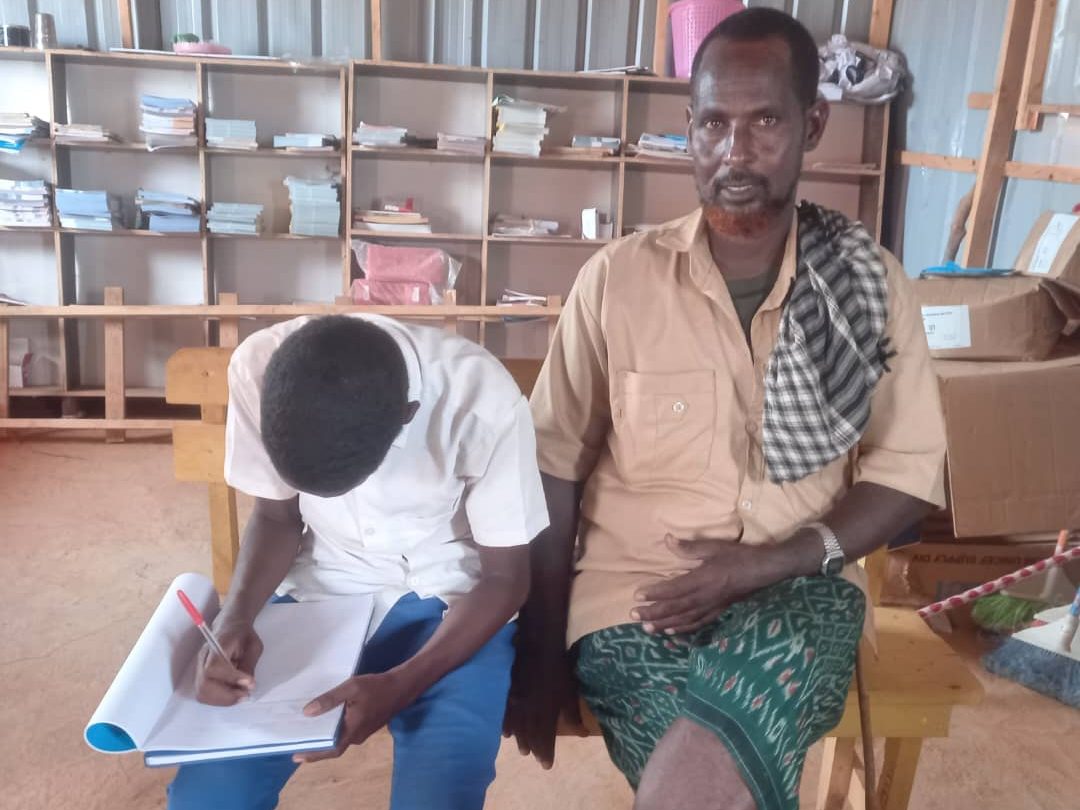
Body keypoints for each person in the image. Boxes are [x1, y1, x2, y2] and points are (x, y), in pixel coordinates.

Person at [505, 8, 946, 810]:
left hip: (800, 599)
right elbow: (552, 461)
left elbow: (908, 473)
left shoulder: (871, 286)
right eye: (713, 123)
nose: (734, 152)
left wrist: (768, 564)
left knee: (704, 758)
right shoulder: (619, 281)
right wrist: (539, 648)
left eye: (765, 121)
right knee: (715, 769)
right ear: (690, 128)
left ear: (813, 124)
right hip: (635, 606)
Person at [167, 314, 549, 810]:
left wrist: (402, 684)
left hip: (457, 599)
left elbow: (506, 578)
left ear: (407, 415)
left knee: (440, 796)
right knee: (210, 798)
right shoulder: (260, 368)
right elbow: (278, 517)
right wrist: (236, 615)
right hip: (322, 584)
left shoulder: (480, 397)